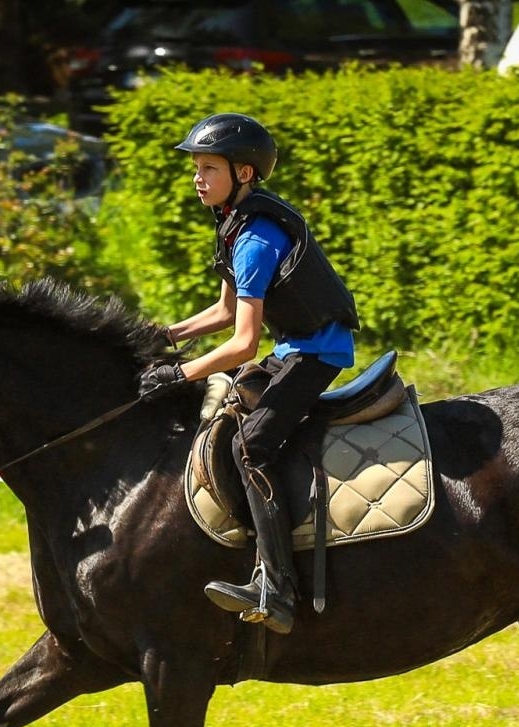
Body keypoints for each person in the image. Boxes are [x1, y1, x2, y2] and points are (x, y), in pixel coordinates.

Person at [137, 113, 361, 635]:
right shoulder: (233, 225)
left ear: (243, 174)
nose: (197, 178)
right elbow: (222, 312)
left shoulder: (256, 239)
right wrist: (166, 336)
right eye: (195, 167)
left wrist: (180, 374)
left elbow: (242, 344)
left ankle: (276, 588)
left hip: (316, 355)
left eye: (209, 168)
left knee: (248, 449)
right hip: (293, 347)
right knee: (227, 422)